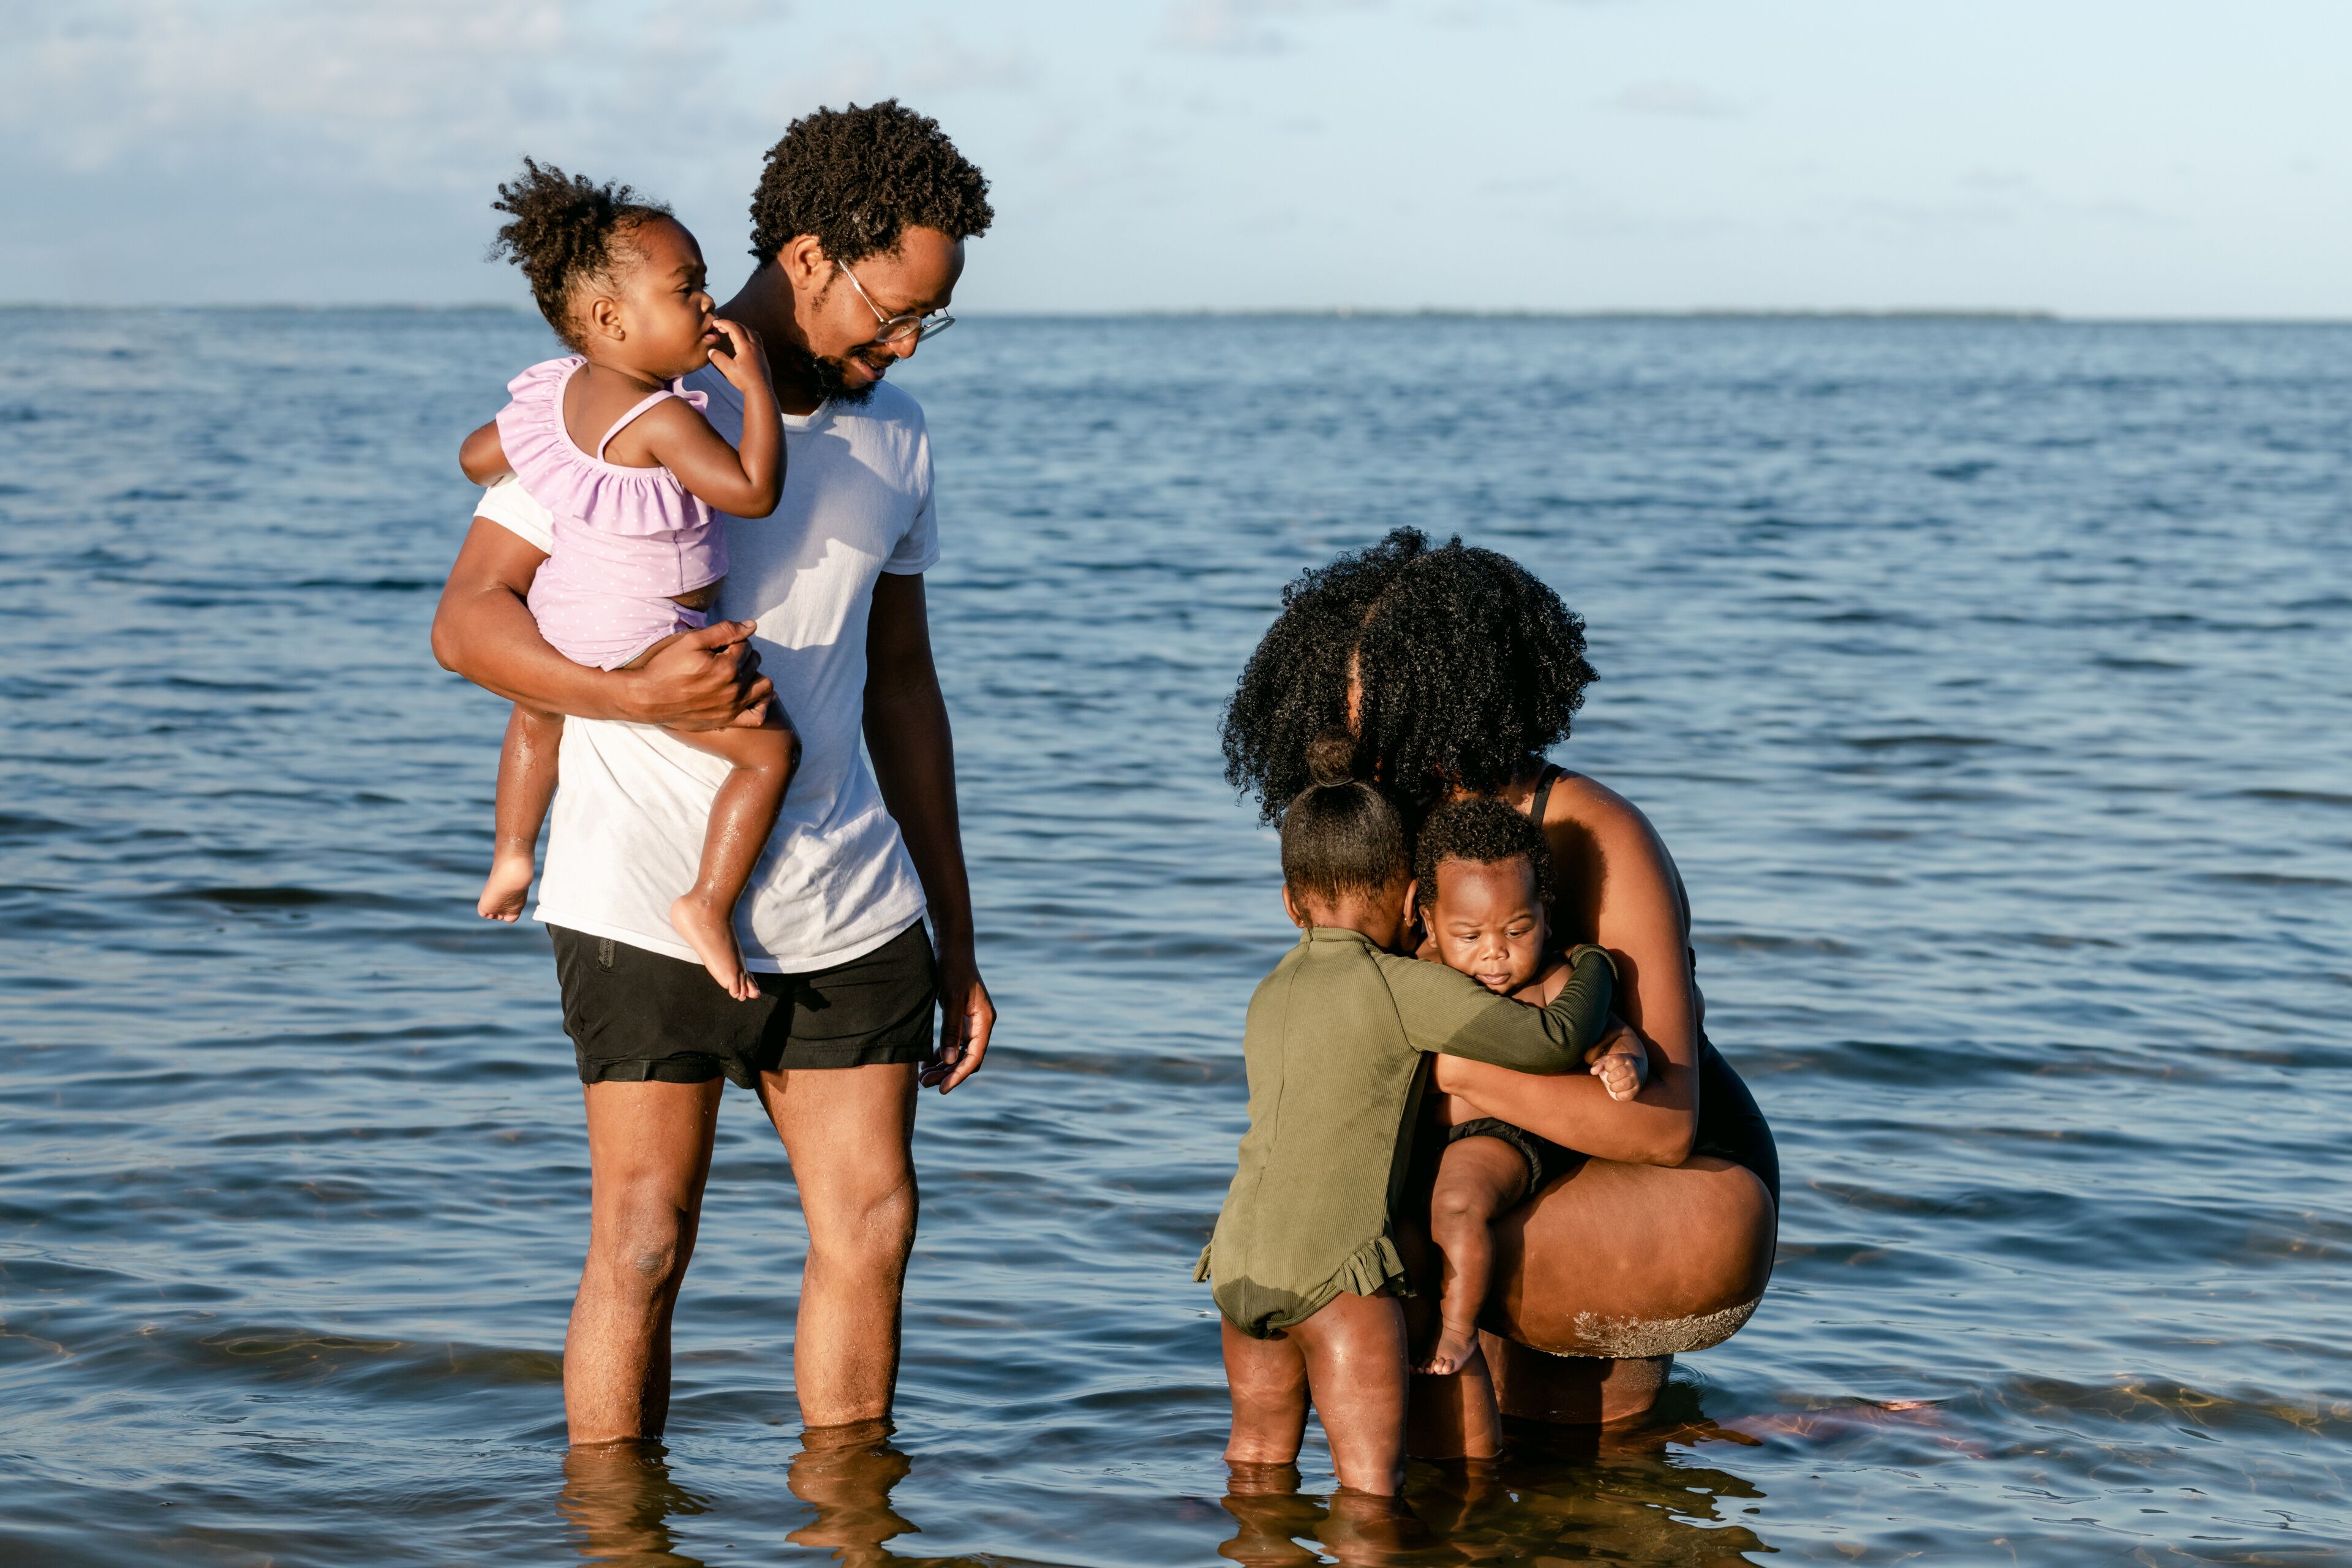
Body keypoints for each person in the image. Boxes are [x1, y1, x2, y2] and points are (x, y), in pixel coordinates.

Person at [429, 100, 997, 1446]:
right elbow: (468, 623)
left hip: (849, 902)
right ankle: (618, 1530)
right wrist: (629, 696)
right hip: (639, 894)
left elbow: (904, 687)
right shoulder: (617, 405)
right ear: (808, 258)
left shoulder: (897, 434)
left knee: (874, 1225)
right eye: (895, 310)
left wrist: (958, 934)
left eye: (935, 318)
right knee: (641, 1240)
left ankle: (853, 1525)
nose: (908, 344)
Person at [1221, 527, 1781, 1434]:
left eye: (1379, 709)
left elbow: (1665, 1126)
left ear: (1449, 694)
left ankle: (1408, 1499)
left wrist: (1460, 1075)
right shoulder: (1393, 833)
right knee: (1592, 1456)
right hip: (1514, 1161)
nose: (1357, 734)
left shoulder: (1597, 833)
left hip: (1690, 1182)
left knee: (1378, 1251)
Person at [1200, 733, 1618, 1495]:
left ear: (1290, 902)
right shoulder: (1398, 985)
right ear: (1409, 905)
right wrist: (1596, 961)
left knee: (1256, 1473)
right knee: (1370, 1498)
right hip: (1336, 1275)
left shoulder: (1268, 992)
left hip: (1238, 1261)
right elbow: (1554, 1038)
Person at [456, 159, 792, 1001]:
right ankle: (707, 902)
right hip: (645, 633)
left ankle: (512, 853)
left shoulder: (554, 396)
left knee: (538, 708)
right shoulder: (662, 417)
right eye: (688, 290)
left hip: (562, 616)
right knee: (769, 752)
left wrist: (540, 454)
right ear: (610, 318)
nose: (709, 305)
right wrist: (756, 389)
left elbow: (475, 457)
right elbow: (754, 491)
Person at [1407, 797, 1645, 1383]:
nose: (1495, 951)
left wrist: (1625, 1060)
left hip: (1503, 1135)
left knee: (1457, 1202)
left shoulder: (1552, 980)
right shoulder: (1420, 973)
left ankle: (1458, 1329)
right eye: (1469, 934)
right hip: (1429, 1134)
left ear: (1546, 914)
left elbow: (1610, 1031)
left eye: (1518, 930)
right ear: (1430, 923)